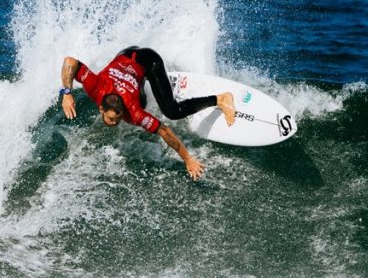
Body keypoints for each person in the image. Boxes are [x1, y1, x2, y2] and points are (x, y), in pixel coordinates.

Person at [59, 46, 236, 180]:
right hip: (128, 53)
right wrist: (66, 94)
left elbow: (165, 131)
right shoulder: (95, 85)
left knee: (172, 111)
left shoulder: (134, 113)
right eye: (113, 118)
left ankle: (220, 99)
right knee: (142, 100)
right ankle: (155, 86)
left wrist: (188, 159)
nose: (116, 122)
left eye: (119, 118)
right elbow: (70, 61)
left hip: (149, 61)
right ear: (101, 108)